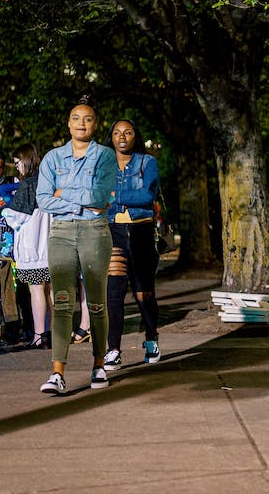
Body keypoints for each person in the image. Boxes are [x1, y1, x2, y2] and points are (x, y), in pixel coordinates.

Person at [36, 96, 117, 394]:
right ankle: (57, 373)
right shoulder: (53, 158)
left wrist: (63, 192)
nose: (81, 123)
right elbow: (43, 199)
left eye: (88, 118)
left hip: (94, 232)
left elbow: (100, 196)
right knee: (62, 302)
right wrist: (82, 195)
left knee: (96, 301)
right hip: (60, 232)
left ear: (95, 124)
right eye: (76, 118)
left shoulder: (105, 156)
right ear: (68, 123)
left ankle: (98, 365)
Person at [103, 119, 161, 371]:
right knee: (114, 291)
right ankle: (113, 349)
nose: (122, 136)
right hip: (113, 231)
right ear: (112, 138)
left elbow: (148, 195)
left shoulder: (147, 163)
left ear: (135, 136)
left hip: (141, 231)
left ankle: (151, 338)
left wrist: (116, 197)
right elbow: (98, 194)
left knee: (143, 292)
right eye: (117, 133)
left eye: (127, 132)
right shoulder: (104, 164)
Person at [2, 144, 52, 349]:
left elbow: (16, 217)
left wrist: (5, 209)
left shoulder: (27, 185)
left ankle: (39, 336)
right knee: (52, 292)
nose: (17, 168)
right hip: (52, 247)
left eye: (17, 163)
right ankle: (53, 334)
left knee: (37, 291)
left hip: (34, 249)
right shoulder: (48, 182)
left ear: (26, 160)